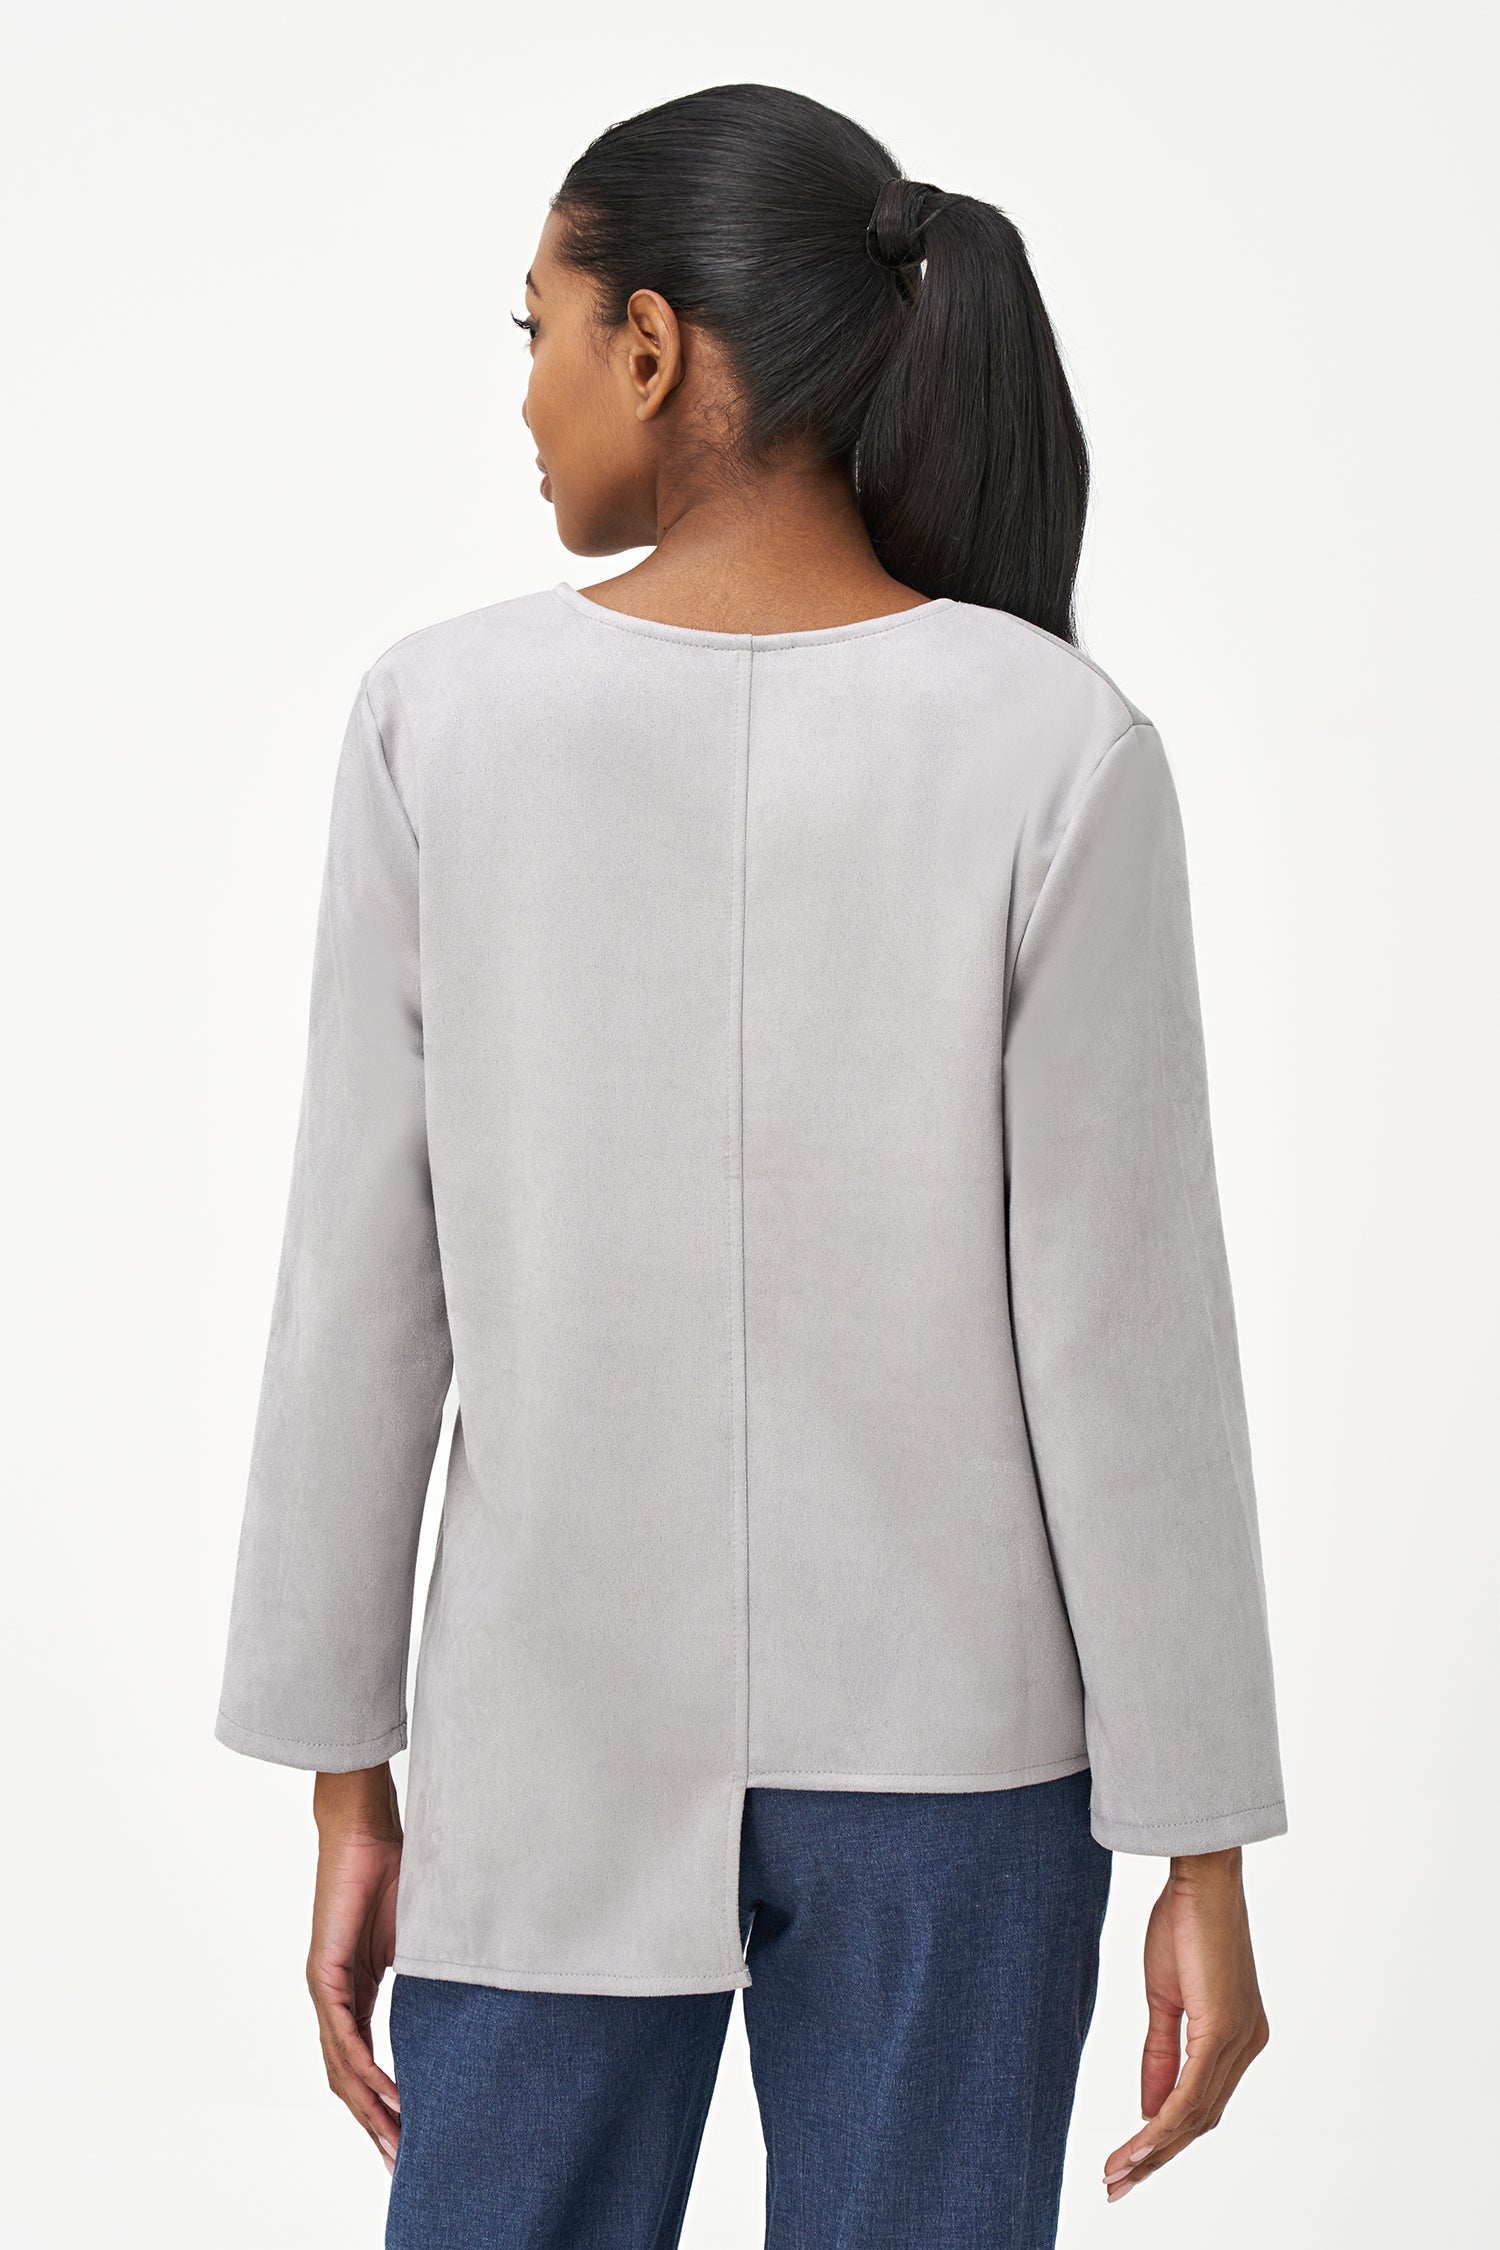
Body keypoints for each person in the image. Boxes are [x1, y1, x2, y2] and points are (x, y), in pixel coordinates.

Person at [215, 80, 1287, 2249]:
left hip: (544, 1741)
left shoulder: (439, 722)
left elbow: (361, 1293)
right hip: (966, 1770)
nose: (524, 393)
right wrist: (1202, 1842)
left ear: (652, 346)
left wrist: (349, 1776)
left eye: (536, 327)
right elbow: (1128, 1340)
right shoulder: (1053, 742)